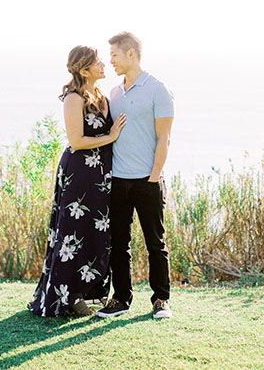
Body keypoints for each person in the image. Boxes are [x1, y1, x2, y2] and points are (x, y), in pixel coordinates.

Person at [28, 45, 127, 317]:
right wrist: (111, 137)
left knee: (97, 235)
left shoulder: (102, 95)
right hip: (80, 175)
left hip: (102, 176)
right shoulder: (74, 98)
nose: (104, 64)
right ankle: (68, 296)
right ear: (84, 70)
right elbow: (76, 141)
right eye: (98, 62)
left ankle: (84, 292)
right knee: (73, 234)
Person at [96, 31, 175, 320]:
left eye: (114, 55)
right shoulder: (115, 93)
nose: (110, 61)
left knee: (156, 243)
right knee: (119, 243)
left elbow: (164, 138)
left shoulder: (158, 89)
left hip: (148, 180)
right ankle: (121, 299)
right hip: (118, 180)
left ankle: (161, 300)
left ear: (131, 54)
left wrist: (154, 177)